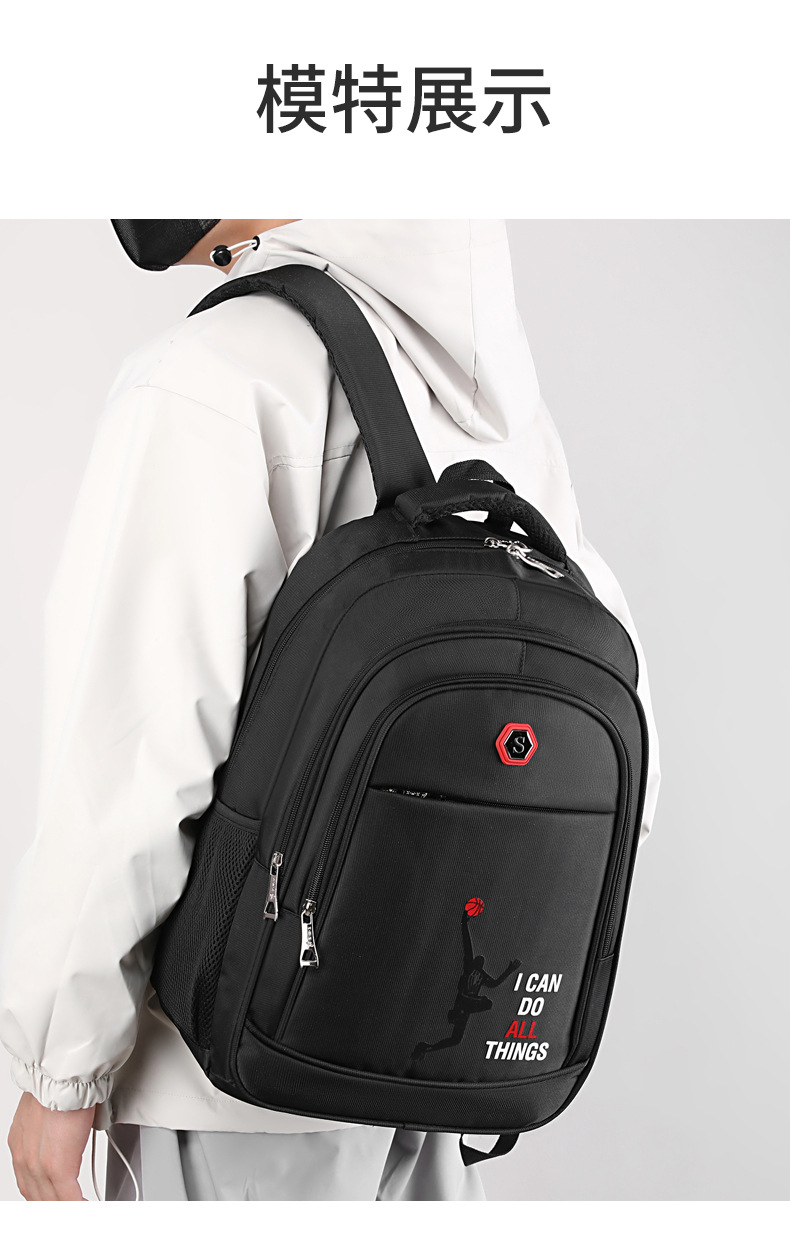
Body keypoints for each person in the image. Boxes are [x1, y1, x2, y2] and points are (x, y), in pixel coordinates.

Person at [0, 219, 661, 1201]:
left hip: (231, 1088)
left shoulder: (211, 378)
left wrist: (63, 1067)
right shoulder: (499, 401)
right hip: (436, 1072)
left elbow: (134, 757)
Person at [412, 907, 520, 1062]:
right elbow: (467, 944)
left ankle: (426, 1048)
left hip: (466, 1005)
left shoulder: (481, 974)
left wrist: (510, 969)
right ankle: (429, 1045)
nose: (480, 958)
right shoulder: (470, 966)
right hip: (464, 1002)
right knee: (482, 1007)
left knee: (457, 1038)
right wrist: (464, 923)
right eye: (478, 959)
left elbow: (495, 983)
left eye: (481, 960)